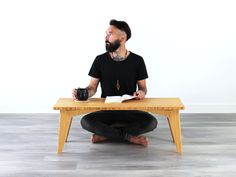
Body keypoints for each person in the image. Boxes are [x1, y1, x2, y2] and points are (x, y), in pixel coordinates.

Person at [72, 19, 157, 147]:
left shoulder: (138, 60)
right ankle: (130, 138)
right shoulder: (99, 60)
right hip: (106, 111)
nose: (105, 37)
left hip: (130, 110)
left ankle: (105, 135)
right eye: (106, 33)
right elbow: (92, 88)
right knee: (86, 121)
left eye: (110, 34)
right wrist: (82, 93)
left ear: (122, 38)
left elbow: (143, 88)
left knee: (151, 121)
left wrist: (141, 93)